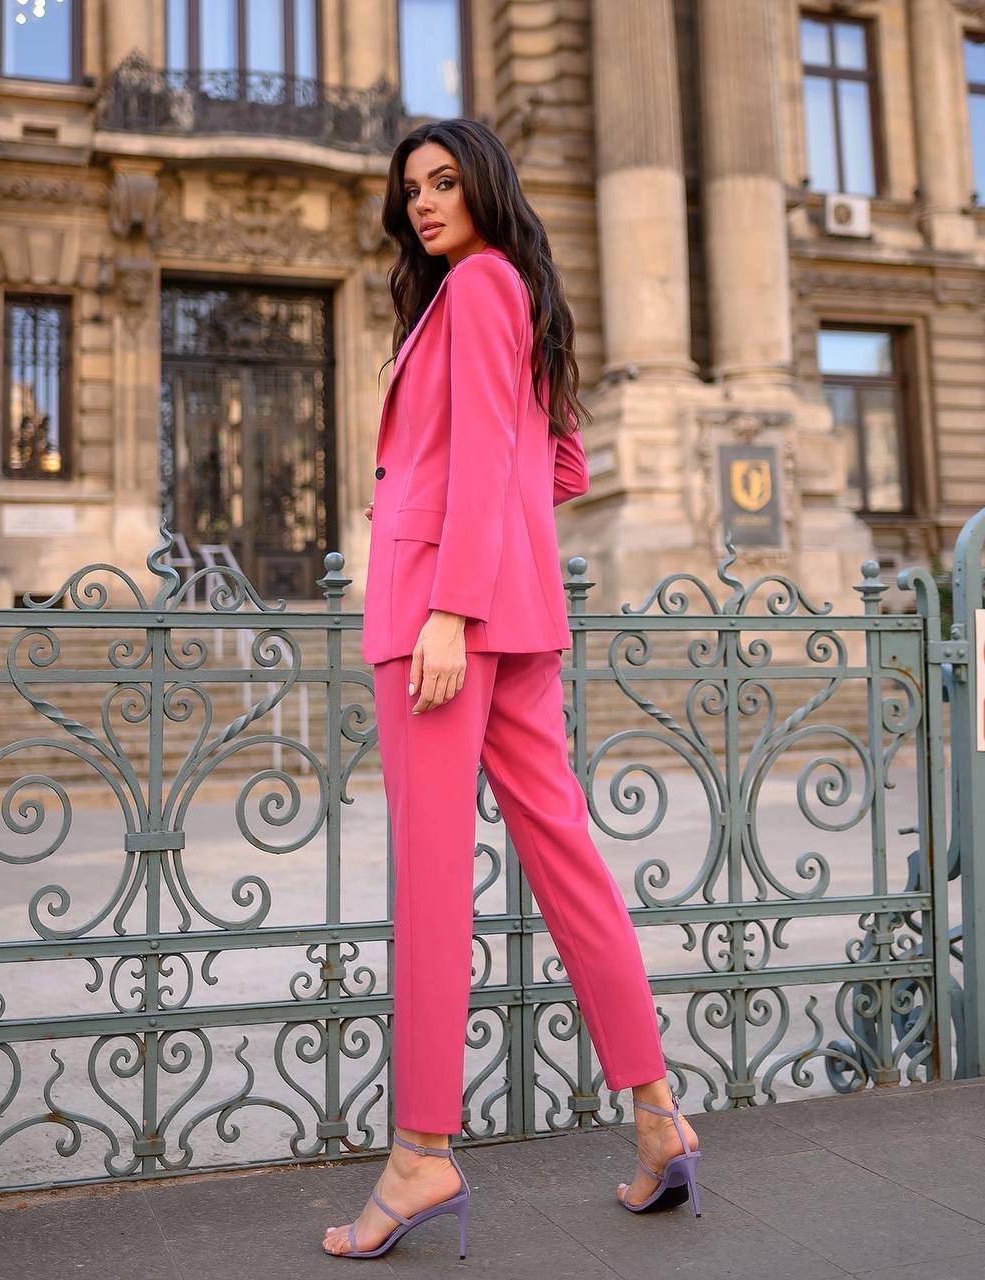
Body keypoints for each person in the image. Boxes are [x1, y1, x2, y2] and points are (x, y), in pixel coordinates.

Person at [321, 118, 701, 1260]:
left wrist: (448, 602)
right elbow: (555, 460)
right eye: (411, 189)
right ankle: (656, 1113)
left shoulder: (478, 289)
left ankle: (421, 1154)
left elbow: (489, 454)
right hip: (514, 617)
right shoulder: (508, 293)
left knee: (432, 885)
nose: (425, 201)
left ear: (484, 184)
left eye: (444, 181)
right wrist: (497, 574)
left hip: (443, 620)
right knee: (570, 863)